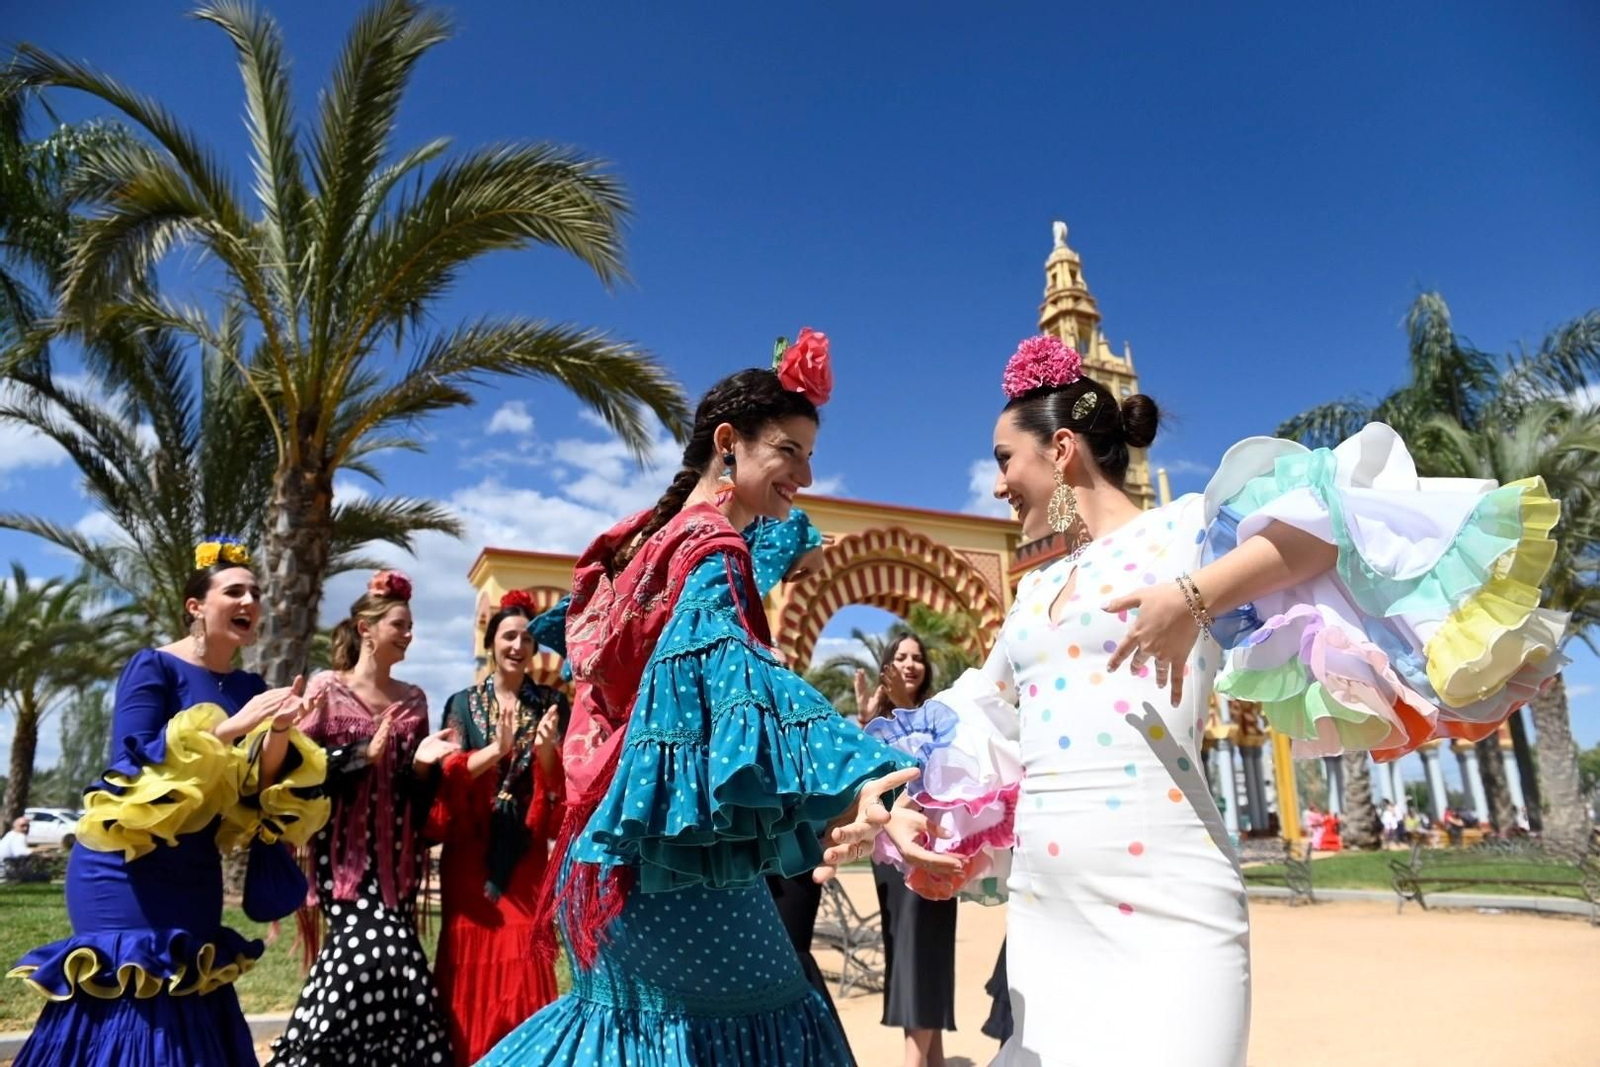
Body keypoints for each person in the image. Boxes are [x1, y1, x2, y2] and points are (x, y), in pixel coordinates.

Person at [843, 334, 1564, 1065]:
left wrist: (1193, 598)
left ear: (1061, 450)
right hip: (1045, 918)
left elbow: (1329, 531)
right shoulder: (1032, 591)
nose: (998, 483)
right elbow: (980, 724)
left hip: (1173, 906)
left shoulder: (1185, 530)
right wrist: (904, 808)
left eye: (1005, 459)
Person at [480, 331, 925, 1066]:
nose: (806, 473)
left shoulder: (644, 546)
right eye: (790, 451)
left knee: (633, 1034)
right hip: (671, 867)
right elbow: (735, 668)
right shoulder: (710, 550)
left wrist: (784, 537)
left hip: (608, 854)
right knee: (768, 1024)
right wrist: (859, 777)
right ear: (729, 441)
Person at [8, 537, 328, 1067]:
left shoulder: (250, 684)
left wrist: (279, 731)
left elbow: (254, 788)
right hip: (124, 868)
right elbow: (129, 771)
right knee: (133, 999)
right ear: (196, 607)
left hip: (194, 868)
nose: (250, 601)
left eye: (255, 592)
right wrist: (236, 725)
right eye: (234, 591)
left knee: (190, 996)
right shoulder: (153, 667)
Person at [268, 570, 460, 1066]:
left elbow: (415, 800)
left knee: (377, 966)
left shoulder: (414, 700)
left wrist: (421, 763)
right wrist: (360, 755)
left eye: (411, 625)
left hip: (398, 863)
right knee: (382, 957)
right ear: (365, 628)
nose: (409, 633)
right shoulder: (327, 690)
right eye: (400, 624)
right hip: (344, 861)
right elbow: (300, 772)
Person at [427, 590, 571, 1065]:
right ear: (491, 643)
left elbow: (561, 786)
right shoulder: (462, 703)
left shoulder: (552, 702)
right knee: (468, 965)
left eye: (528, 638)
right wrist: (497, 750)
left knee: (525, 961)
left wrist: (547, 752)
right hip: (471, 858)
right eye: (509, 636)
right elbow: (447, 776)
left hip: (526, 857)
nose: (518, 645)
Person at [858, 633, 958, 1067]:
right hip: (890, 860)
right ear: (887, 666)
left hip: (928, 852)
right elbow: (862, 785)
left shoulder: (941, 719)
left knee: (924, 955)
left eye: (917, 657)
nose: (910, 664)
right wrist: (868, 723)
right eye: (900, 656)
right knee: (910, 956)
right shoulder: (872, 725)